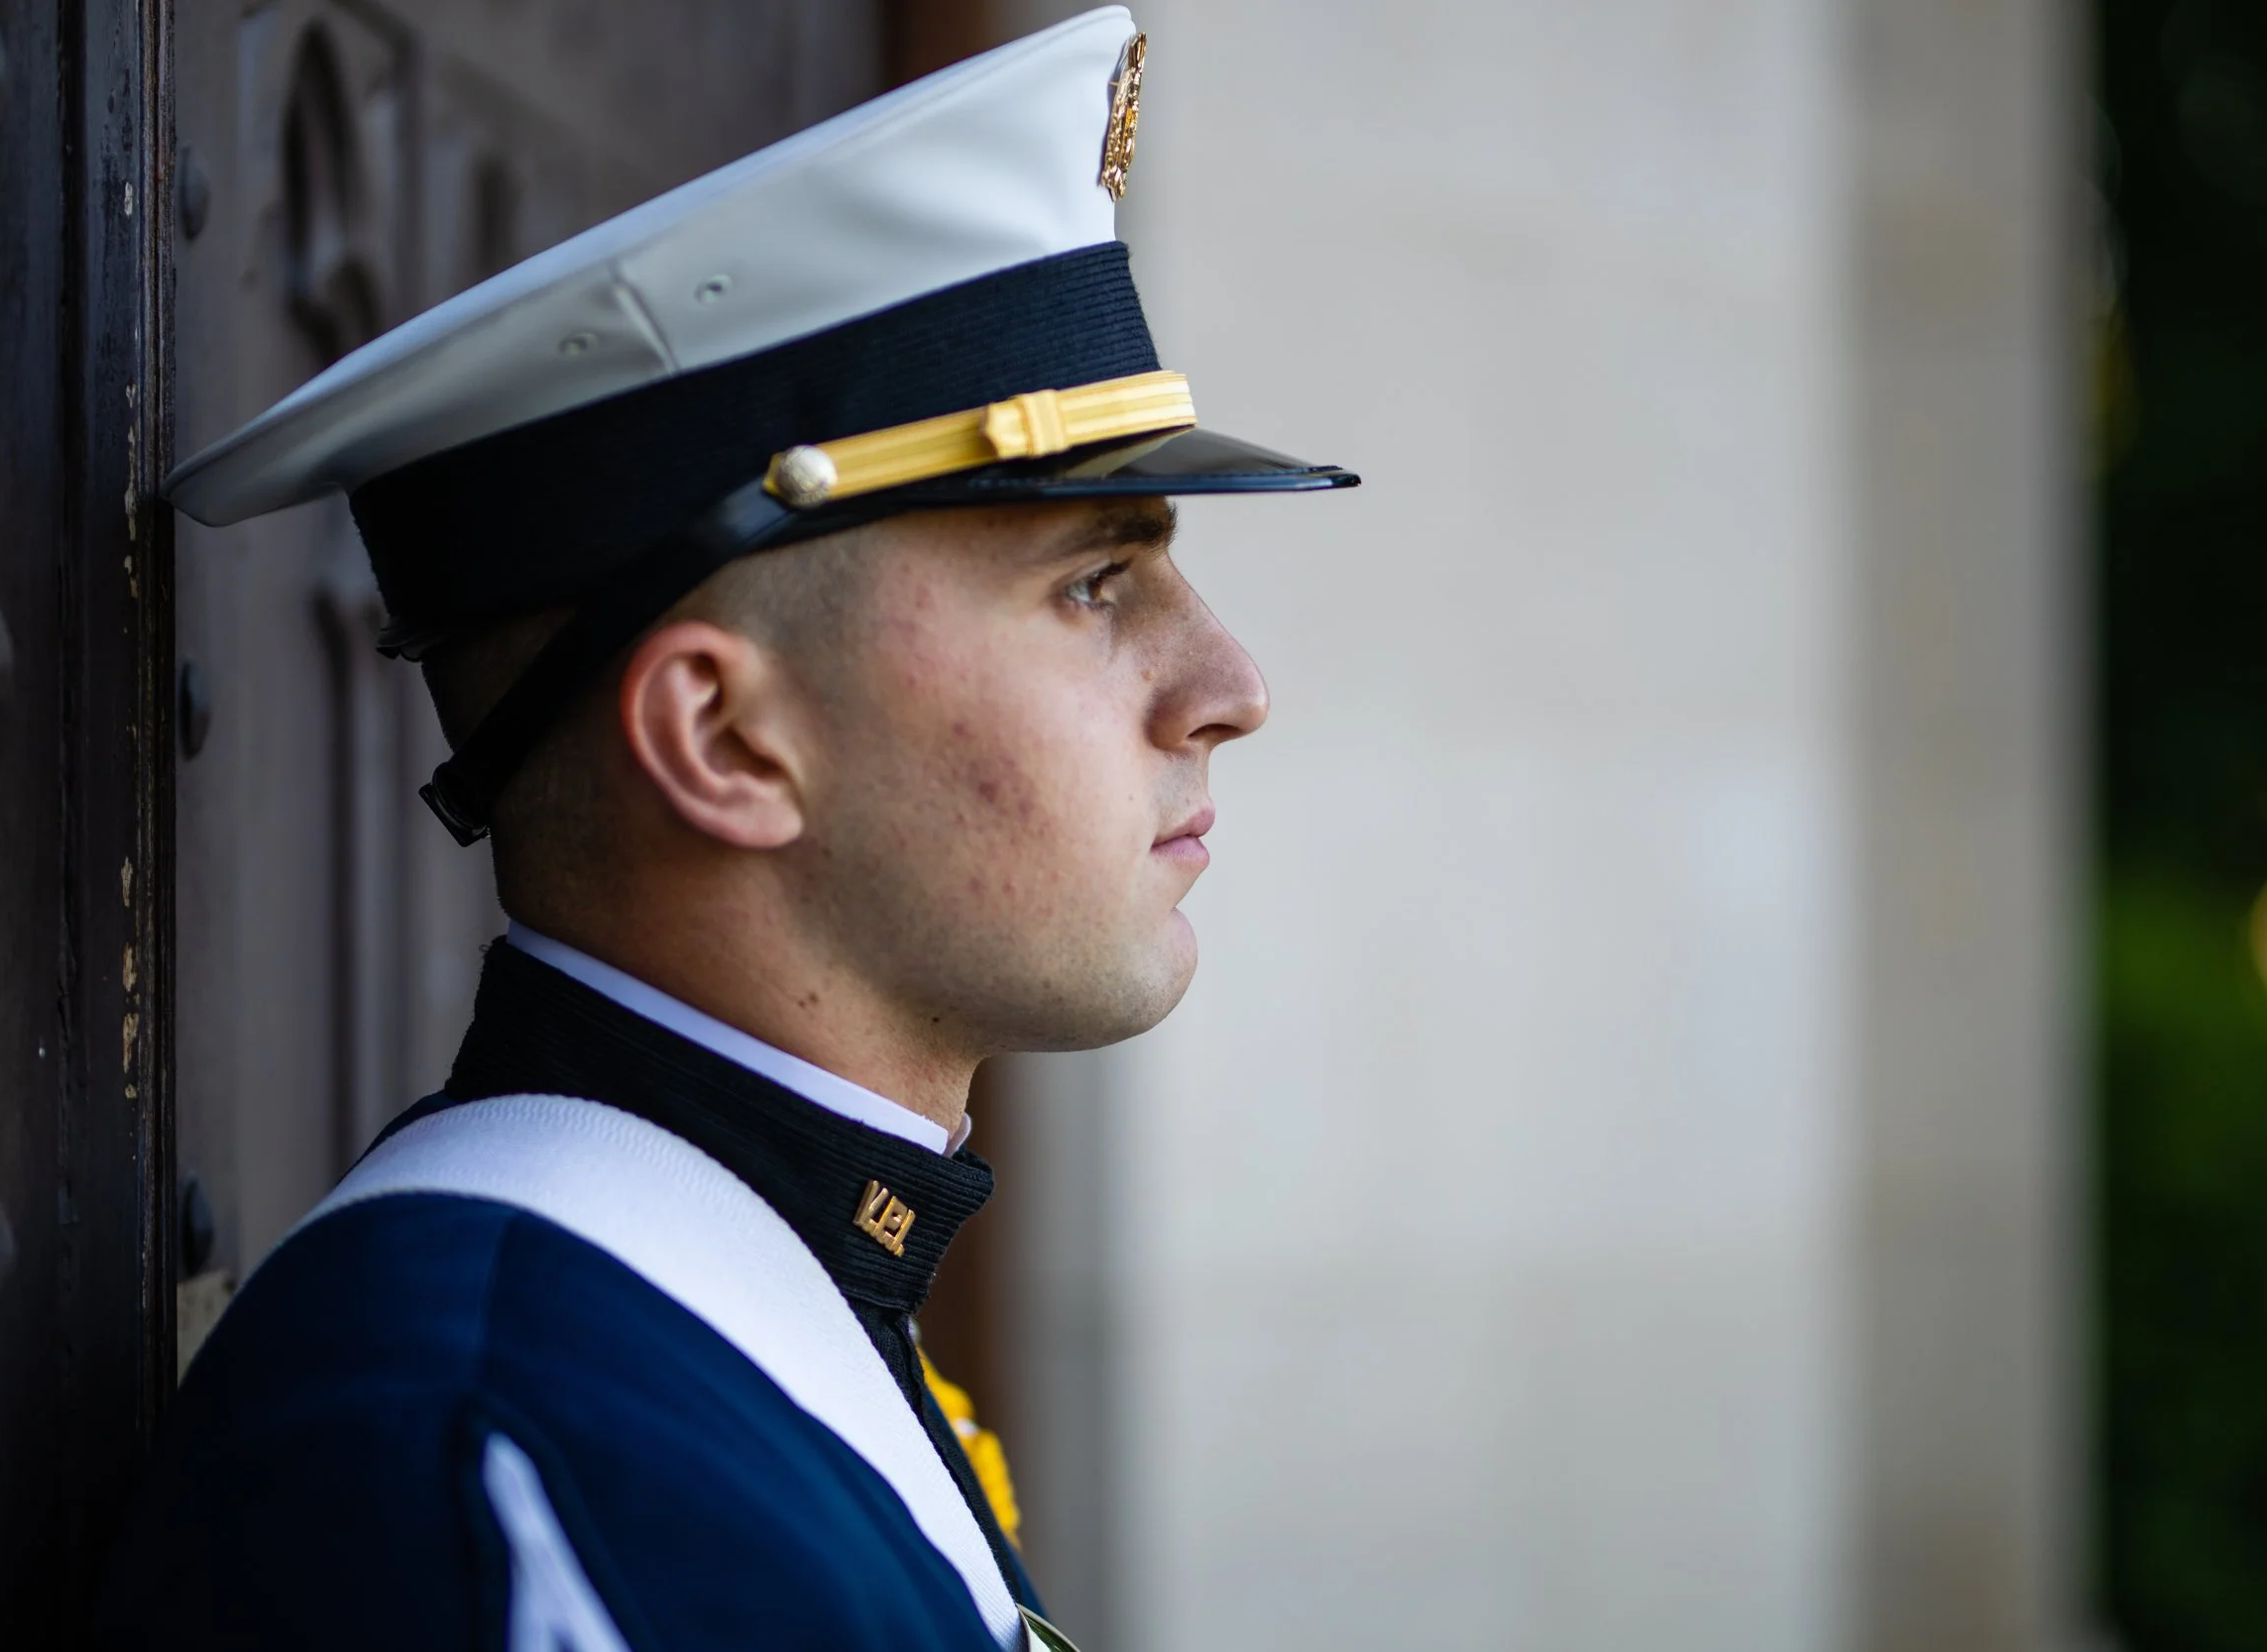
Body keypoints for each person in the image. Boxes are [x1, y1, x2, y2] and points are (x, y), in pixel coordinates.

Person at [98, 9, 1354, 1649]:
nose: (1231, 685)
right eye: (1095, 581)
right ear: (723, 737)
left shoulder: (722, 1300)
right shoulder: (479, 1462)